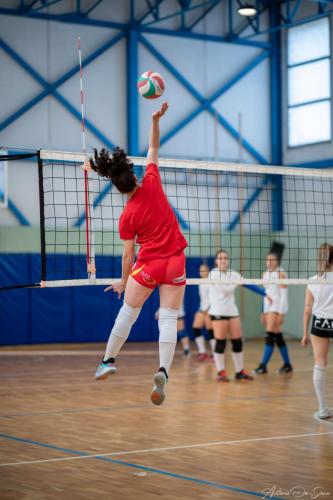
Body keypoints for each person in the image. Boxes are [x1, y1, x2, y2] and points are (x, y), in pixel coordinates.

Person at [86, 102, 187, 406]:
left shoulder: (127, 216)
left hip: (150, 265)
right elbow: (153, 147)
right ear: (134, 175)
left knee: (128, 313)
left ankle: (108, 360)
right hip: (176, 261)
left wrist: (122, 280)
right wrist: (155, 119)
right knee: (168, 319)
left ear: (116, 187)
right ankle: (163, 371)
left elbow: (128, 256)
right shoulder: (153, 182)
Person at [209, 249, 268, 382]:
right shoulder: (213, 274)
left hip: (232, 311)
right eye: (220, 258)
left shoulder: (233, 273)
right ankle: (221, 372)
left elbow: (247, 284)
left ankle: (239, 371)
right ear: (216, 261)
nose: (223, 260)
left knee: (237, 342)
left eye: (225, 258)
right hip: (218, 311)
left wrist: (264, 293)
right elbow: (224, 291)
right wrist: (236, 283)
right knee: (220, 342)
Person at [302, 243, 333, 419]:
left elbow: (307, 309)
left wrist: (305, 333)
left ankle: (322, 408)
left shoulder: (313, 280)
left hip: (319, 324)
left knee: (320, 364)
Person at [253, 244, 292, 375]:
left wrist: (282, 313)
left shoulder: (281, 274)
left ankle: (263, 366)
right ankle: (287, 365)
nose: (269, 262)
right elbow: (264, 294)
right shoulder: (265, 274)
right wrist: (262, 311)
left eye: (272, 260)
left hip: (276, 308)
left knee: (270, 335)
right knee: (278, 336)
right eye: (268, 260)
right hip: (268, 309)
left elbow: (284, 296)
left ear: (277, 261)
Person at [192, 263, 215, 361]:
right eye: (200, 270)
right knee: (196, 328)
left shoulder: (211, 281)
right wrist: (201, 310)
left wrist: (208, 308)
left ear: (208, 270)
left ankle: (215, 354)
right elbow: (203, 298)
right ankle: (202, 352)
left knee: (211, 331)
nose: (202, 272)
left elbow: (213, 296)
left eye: (204, 270)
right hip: (202, 308)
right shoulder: (200, 281)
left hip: (210, 309)